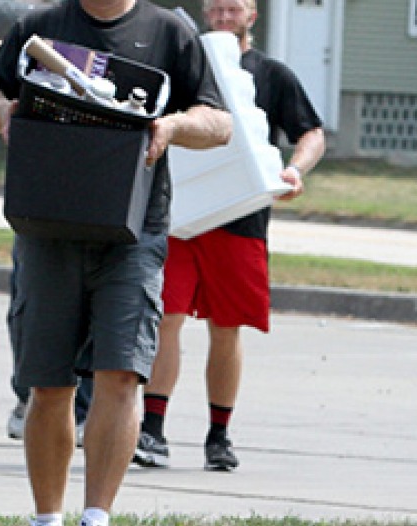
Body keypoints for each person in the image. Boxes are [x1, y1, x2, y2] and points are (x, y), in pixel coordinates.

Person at [0, 0, 231, 524]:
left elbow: (218, 123)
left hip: (134, 233)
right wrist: (2, 112)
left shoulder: (170, 32)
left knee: (121, 375)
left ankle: (96, 517)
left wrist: (171, 126)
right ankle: (47, 518)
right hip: (48, 226)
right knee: (49, 383)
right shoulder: (40, 26)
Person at [133, 0, 324, 472]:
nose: (222, 16)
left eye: (232, 8)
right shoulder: (185, 66)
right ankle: (152, 431)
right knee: (168, 318)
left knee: (227, 327)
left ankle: (219, 435)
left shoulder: (271, 74)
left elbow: (312, 132)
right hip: (179, 215)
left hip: (240, 219)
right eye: (215, 8)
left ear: (251, 15)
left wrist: (294, 171)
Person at [0, 0, 93, 442]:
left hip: (101, 183)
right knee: (29, 301)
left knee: (99, 307)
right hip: (41, 185)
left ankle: (86, 406)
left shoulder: (120, 30)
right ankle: (28, 394)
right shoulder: (38, 23)